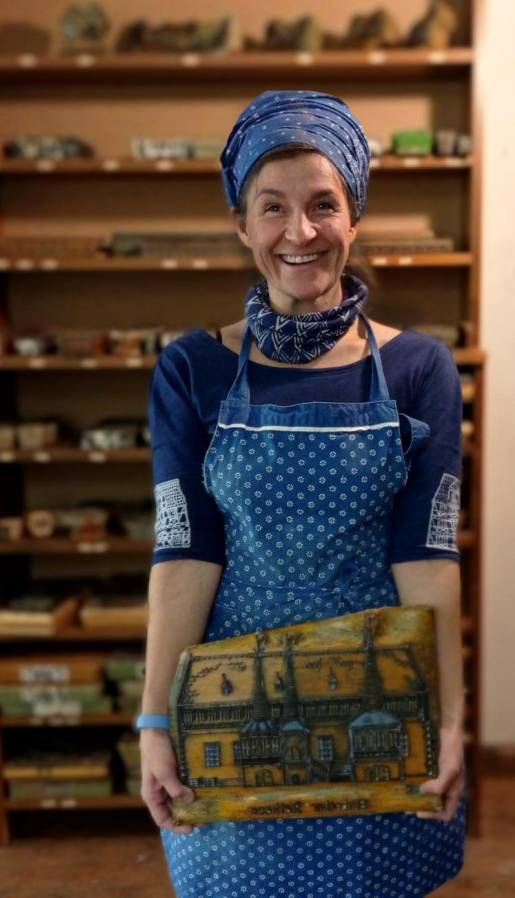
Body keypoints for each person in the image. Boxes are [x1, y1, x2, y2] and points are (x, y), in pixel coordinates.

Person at [139, 90, 466, 898]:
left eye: (323, 204)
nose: (299, 232)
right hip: (231, 704)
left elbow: (427, 556)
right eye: (272, 208)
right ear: (241, 224)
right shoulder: (192, 369)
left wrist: (450, 718)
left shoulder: (419, 368)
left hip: (379, 699)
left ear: (353, 217)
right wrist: (154, 720)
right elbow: (183, 555)